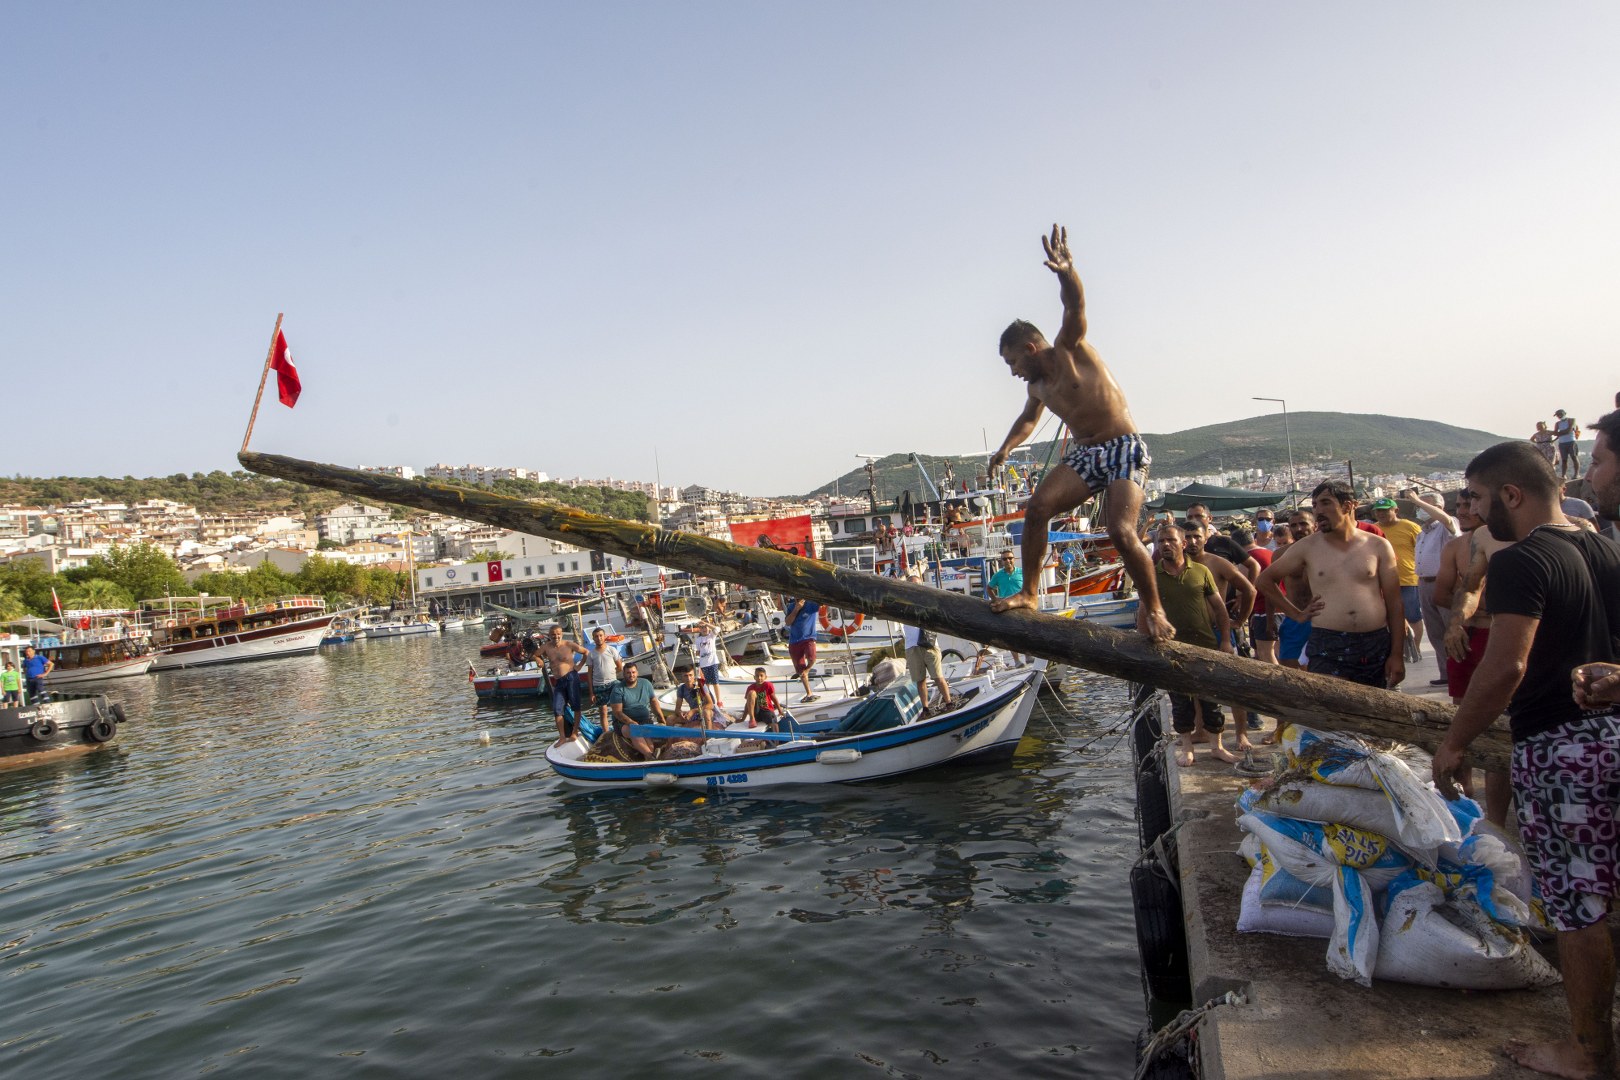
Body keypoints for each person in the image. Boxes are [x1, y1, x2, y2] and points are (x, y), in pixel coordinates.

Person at [1429, 440, 1620, 1080]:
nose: (1475, 514)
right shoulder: (1607, 548)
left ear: (1512, 494)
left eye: (1480, 500)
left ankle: (1590, 1052)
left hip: (1564, 751)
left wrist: (1456, 741)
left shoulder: (1522, 560)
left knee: (1577, 907)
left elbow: (1506, 665)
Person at [985, 225, 1175, 642]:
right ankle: (1030, 593)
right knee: (1036, 510)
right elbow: (1028, 421)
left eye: (1014, 362)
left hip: (1123, 447)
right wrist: (1004, 448)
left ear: (1031, 349)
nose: (1014, 372)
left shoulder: (1069, 349)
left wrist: (1066, 271)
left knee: (1121, 532)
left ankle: (1155, 609)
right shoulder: (1037, 388)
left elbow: (1075, 305)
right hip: (1086, 456)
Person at [1256, 481, 1405, 690]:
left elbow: (1395, 603)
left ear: (1348, 506)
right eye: (1315, 505)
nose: (1318, 511)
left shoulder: (1377, 545)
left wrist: (1397, 654)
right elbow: (1264, 580)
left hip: (1376, 643)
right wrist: (1296, 614)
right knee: (1334, 713)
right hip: (1329, 645)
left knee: (1379, 714)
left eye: (1325, 503)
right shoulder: (1307, 548)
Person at [1432, 489, 1513, 825]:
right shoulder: (1457, 547)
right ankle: (1466, 801)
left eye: (1469, 504)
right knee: (1461, 718)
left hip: (1502, 635)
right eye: (1460, 505)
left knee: (1502, 726)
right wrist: (1457, 622)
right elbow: (1444, 592)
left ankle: (1496, 819)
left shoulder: (1508, 541)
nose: (1462, 511)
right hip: (1467, 636)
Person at [1151, 524, 1239, 766]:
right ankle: (1187, 747)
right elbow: (1144, 611)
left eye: (1170, 540)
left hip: (1205, 646)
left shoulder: (1201, 571)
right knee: (1181, 702)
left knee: (1211, 700)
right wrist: (1146, 642)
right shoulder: (1152, 575)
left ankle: (1217, 746)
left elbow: (1220, 609)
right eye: (1161, 541)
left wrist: (1224, 640)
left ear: (1183, 544)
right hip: (1171, 649)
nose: (1165, 545)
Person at [1409, 487, 1461, 686]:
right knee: (1435, 630)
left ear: (1437, 507)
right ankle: (1446, 673)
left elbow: (1447, 520)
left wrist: (1418, 501)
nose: (1419, 510)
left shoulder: (1447, 526)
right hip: (1424, 583)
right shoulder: (1423, 533)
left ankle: (1458, 669)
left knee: (1451, 627)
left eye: (1424, 506)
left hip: (1443, 583)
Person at [1371, 497, 1425, 663]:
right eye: (1378, 511)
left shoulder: (1410, 527)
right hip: (1382, 581)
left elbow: (1422, 548)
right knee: (1388, 617)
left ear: (1395, 510)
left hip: (1408, 579)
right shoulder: (1373, 530)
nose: (1381, 514)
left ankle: (1415, 647)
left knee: (1413, 615)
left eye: (1385, 510)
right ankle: (1399, 649)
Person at [902, 571, 955, 712]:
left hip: (930, 644)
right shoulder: (902, 602)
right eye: (910, 585)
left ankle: (949, 702)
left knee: (938, 676)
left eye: (917, 585)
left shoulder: (929, 601)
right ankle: (925, 708)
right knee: (920, 680)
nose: (914, 588)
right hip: (912, 646)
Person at [1271, 509, 1317, 670]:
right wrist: (1270, 621)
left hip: (1322, 618)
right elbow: (1270, 586)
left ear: (1315, 525)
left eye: (1303, 524)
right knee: (1289, 668)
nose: (1298, 529)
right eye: (1294, 525)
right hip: (1295, 617)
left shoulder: (1328, 552)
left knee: (1318, 668)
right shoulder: (1281, 555)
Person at [536, 624, 588, 742]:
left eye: (558, 634)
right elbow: (535, 654)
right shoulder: (546, 647)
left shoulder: (568, 644)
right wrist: (538, 659)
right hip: (559, 681)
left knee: (576, 706)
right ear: (549, 635)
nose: (556, 636)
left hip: (571, 678)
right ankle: (562, 737)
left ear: (562, 634)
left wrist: (579, 666)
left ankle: (574, 732)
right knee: (557, 708)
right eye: (553, 634)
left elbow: (586, 652)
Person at [605, 663, 667, 759]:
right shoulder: (618, 689)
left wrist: (662, 718)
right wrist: (630, 722)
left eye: (633, 672)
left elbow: (654, 702)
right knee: (635, 732)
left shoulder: (646, 683)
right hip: (623, 723)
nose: (631, 675)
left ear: (637, 673)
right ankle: (650, 757)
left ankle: (651, 755)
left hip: (644, 720)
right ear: (624, 674)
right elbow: (617, 712)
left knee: (648, 740)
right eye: (628, 673)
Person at [985, 551, 1027, 665]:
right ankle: (1017, 660)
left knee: (1027, 632)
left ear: (1014, 559)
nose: (1008, 561)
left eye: (1010, 558)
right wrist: (995, 599)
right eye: (1005, 559)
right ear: (1002, 561)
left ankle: (1029, 656)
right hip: (1006, 608)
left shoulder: (1022, 572)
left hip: (1021, 605)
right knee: (1011, 635)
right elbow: (989, 588)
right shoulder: (998, 575)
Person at [782, 596, 821, 702]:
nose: (797, 599)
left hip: (808, 638)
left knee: (812, 658)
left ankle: (807, 670)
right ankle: (809, 693)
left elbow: (822, 603)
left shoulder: (811, 605)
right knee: (799, 668)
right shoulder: (791, 607)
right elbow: (788, 622)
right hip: (794, 641)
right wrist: (796, 609)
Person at [585, 627, 623, 727]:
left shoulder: (611, 650)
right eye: (596, 636)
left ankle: (620, 728)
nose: (599, 638)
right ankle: (606, 733)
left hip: (612, 683)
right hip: (598, 685)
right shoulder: (591, 654)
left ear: (604, 636)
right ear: (593, 639)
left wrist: (611, 674)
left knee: (618, 708)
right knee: (603, 711)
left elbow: (620, 667)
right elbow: (589, 674)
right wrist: (591, 692)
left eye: (601, 635)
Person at [687, 618, 725, 707]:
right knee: (706, 684)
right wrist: (697, 665)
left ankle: (719, 701)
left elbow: (717, 629)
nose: (704, 629)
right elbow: (697, 652)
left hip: (713, 662)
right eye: (702, 628)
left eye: (705, 627)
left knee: (715, 682)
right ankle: (708, 700)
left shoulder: (711, 635)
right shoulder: (698, 639)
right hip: (703, 664)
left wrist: (707, 624)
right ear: (699, 629)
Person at [1553, 408, 1582, 480]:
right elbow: (1555, 433)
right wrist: (1562, 432)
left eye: (1560, 414)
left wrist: (1560, 433)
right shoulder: (1558, 423)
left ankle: (1576, 474)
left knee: (1574, 457)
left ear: (1564, 414)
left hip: (1571, 441)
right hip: (1562, 443)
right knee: (1564, 460)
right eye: (1558, 415)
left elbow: (1569, 430)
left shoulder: (1571, 420)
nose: (1559, 416)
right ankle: (1563, 475)